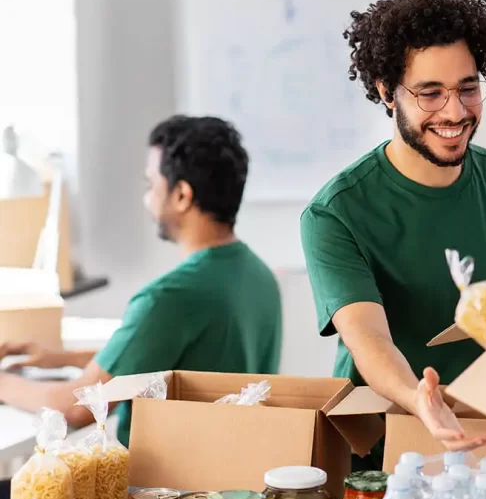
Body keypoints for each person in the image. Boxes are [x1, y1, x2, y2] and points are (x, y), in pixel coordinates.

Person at [300, 0, 486, 468]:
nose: (455, 111)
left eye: (468, 88)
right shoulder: (335, 213)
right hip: (385, 450)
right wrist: (418, 396)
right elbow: (369, 339)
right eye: (430, 94)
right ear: (386, 92)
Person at [0, 115, 282, 448]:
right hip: (231, 476)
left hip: (165, 490)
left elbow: (77, 407)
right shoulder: (258, 275)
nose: (147, 197)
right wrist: (63, 358)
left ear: (181, 195)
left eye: (150, 184)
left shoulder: (169, 299)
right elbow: (172, 358)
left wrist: (3, 384)